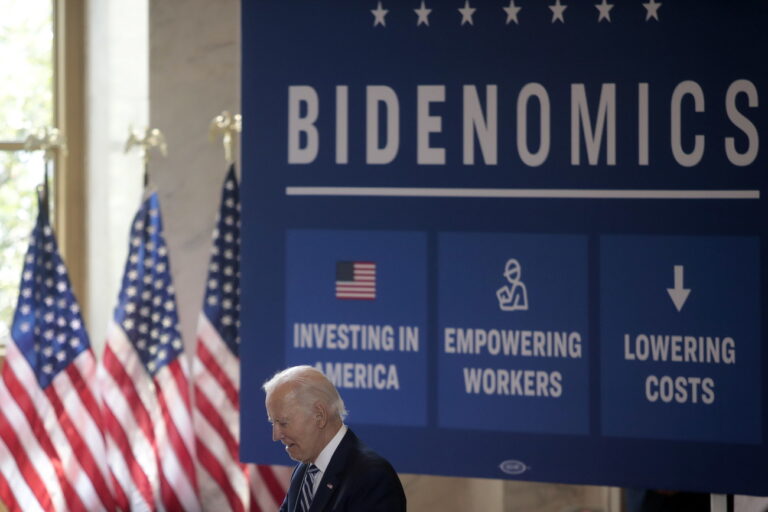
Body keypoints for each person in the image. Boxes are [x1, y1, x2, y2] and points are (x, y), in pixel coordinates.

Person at [263, 365, 407, 512]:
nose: (276, 435)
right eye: (273, 423)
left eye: (283, 423)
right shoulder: (304, 471)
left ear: (320, 416)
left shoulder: (372, 478)